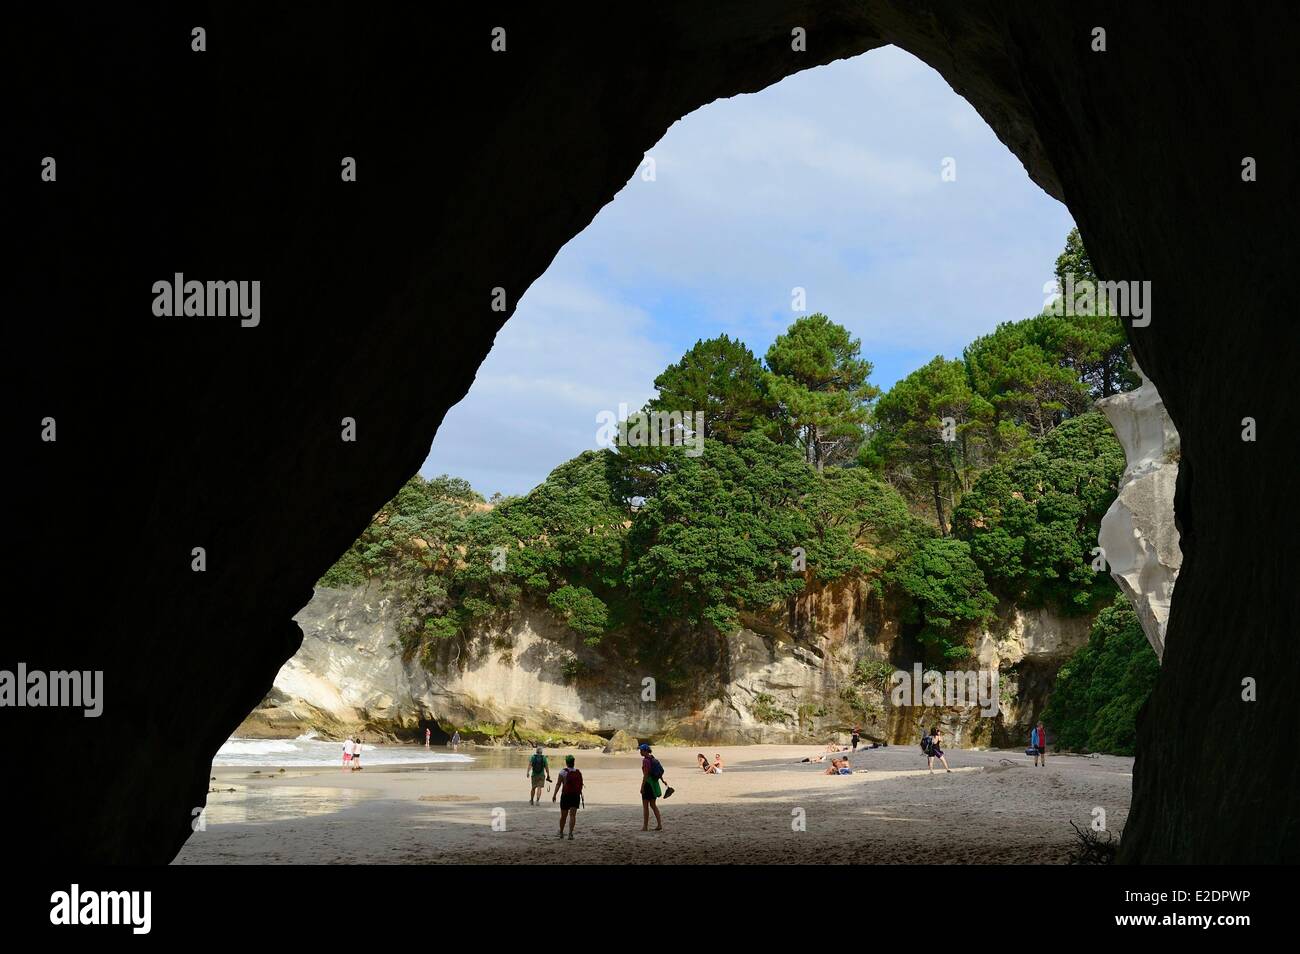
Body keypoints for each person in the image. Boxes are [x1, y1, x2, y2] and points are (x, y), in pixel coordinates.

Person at [552, 754, 583, 839]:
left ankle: (561, 832)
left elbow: (558, 784)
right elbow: (580, 785)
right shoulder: (578, 772)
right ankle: (570, 834)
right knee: (572, 815)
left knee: (563, 816)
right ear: (574, 762)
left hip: (565, 795)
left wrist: (554, 794)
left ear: (566, 762)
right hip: (575, 796)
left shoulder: (563, 772)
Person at [639, 743, 665, 831]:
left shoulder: (645, 760)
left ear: (645, 751)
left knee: (645, 806)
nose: (640, 752)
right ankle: (659, 824)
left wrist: (642, 786)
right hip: (654, 783)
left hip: (648, 784)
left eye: (641, 750)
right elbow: (658, 772)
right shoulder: (653, 759)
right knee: (653, 805)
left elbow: (646, 774)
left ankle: (645, 826)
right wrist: (662, 780)